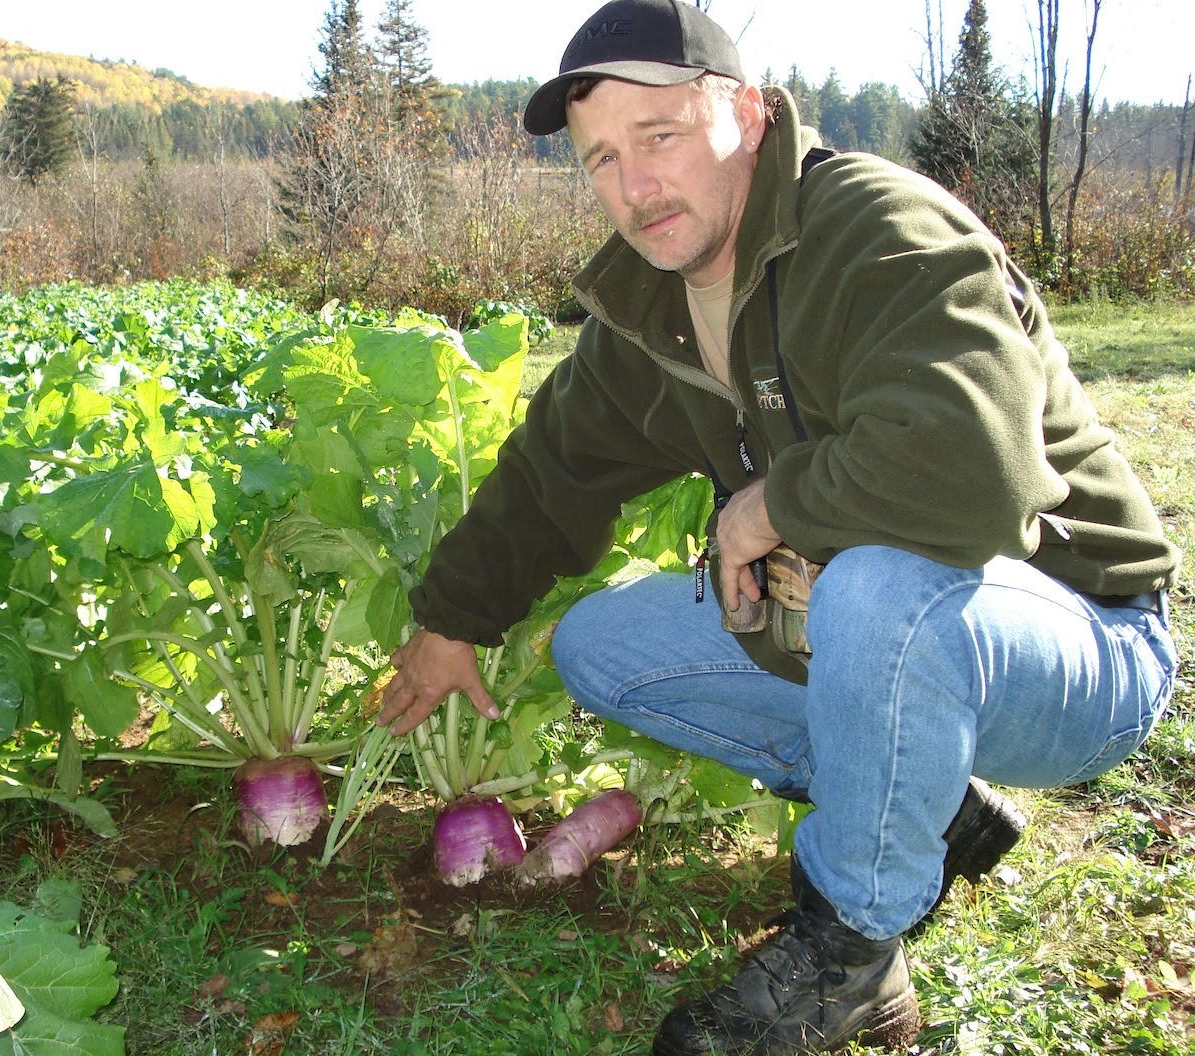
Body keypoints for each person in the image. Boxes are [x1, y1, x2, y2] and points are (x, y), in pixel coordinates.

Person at [375, 0, 1181, 1052]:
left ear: (746, 114)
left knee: (874, 585)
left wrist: (769, 506)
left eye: (658, 137)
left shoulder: (879, 232)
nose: (633, 185)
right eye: (602, 158)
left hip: (1081, 641)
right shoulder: (652, 309)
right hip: (905, 637)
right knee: (601, 648)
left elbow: (971, 473)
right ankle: (927, 804)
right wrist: (451, 620)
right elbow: (550, 474)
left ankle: (852, 958)